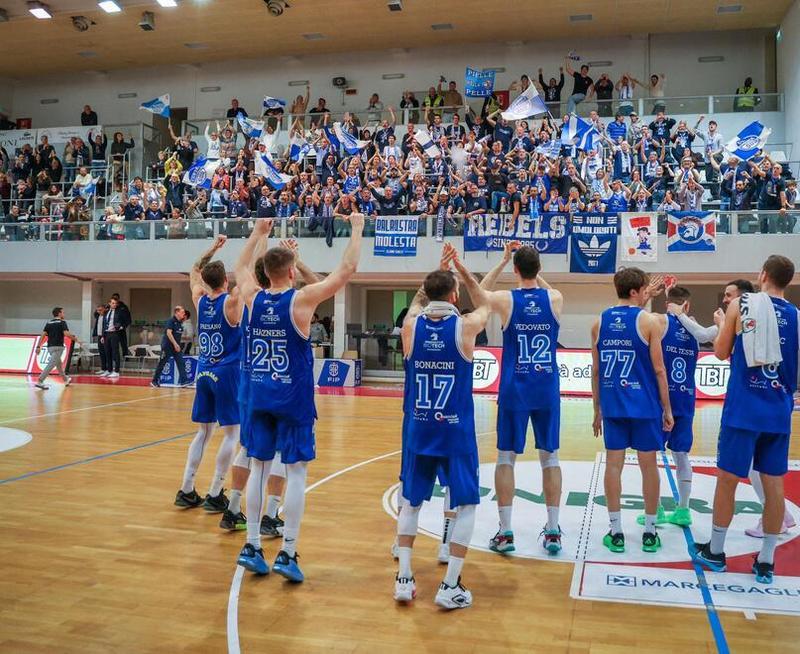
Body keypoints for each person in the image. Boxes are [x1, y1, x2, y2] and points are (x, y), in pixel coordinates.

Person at [236, 214, 365, 582]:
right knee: (295, 472)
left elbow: (240, 267)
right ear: (292, 273)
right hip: (292, 398)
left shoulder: (252, 297)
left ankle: (252, 544)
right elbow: (347, 269)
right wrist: (356, 228)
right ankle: (288, 551)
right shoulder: (301, 300)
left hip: (259, 394)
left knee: (259, 467)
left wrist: (256, 232)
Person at [393, 243, 489, 609]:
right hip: (455, 432)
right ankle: (450, 586)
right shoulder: (465, 327)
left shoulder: (410, 327)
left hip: (419, 429)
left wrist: (437, 274)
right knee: (466, 505)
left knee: (411, 503)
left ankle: (404, 578)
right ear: (453, 294)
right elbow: (486, 302)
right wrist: (460, 269)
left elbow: (419, 303)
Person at [692, 256, 798, 585]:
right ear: (788, 282)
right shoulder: (796, 315)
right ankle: (766, 561)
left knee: (727, 480)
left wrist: (726, 324)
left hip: (744, 406)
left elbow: (721, 353)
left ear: (763, 275)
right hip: (778, 409)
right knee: (774, 484)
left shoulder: (743, 303)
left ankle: (716, 551)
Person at [475, 243, 565, 555]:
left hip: (515, 388)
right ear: (539, 269)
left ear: (515, 270)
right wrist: (535, 274)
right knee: (550, 458)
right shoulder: (554, 298)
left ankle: (505, 530)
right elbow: (546, 287)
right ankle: (553, 530)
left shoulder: (506, 299)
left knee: (505, 458)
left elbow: (477, 293)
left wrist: (501, 262)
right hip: (547, 387)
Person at [591, 268, 673, 554]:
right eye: (643, 289)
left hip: (613, 406)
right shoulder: (649, 321)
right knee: (648, 467)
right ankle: (650, 532)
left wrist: (596, 409)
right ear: (636, 291)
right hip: (644, 406)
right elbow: (660, 370)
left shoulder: (599, 321)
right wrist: (668, 409)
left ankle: (616, 532)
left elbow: (597, 371)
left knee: (613, 467)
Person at [174, 235, 248, 514]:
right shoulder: (230, 302)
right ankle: (216, 491)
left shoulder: (199, 299)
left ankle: (187, 488)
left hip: (203, 369)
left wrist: (214, 248)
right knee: (232, 434)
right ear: (225, 281)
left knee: (203, 433)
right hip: (227, 370)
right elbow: (248, 276)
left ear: (205, 281)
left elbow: (194, 268)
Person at [639, 285, 720, 528]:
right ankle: (683, 509)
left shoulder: (658, 321)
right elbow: (708, 335)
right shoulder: (695, 330)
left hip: (661, 399)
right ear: (688, 305)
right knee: (681, 454)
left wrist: (647, 297)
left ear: (668, 304)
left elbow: (635, 319)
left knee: (650, 455)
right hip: (686, 398)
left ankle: (657, 509)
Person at [34, 307, 79, 390]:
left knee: (59, 365)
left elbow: (43, 335)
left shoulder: (49, 323)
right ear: (59, 313)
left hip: (50, 347)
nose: (64, 314)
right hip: (58, 347)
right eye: (63, 312)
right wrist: (75, 339)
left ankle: (66, 379)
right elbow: (66, 333)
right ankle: (40, 381)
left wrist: (38, 346)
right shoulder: (62, 322)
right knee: (51, 365)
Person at [151, 306, 189, 388]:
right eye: (182, 312)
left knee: (181, 362)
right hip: (167, 346)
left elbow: (177, 335)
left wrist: (178, 344)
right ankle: (154, 381)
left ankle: (184, 381)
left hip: (176, 347)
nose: (184, 314)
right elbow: (169, 333)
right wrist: (175, 344)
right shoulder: (171, 321)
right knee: (162, 363)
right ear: (177, 312)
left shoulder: (180, 323)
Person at [102, 297, 126, 378]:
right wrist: (103, 335)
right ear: (109, 303)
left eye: (115, 303)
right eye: (112, 303)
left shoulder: (120, 312)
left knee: (115, 352)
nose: (114, 305)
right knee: (107, 352)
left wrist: (121, 327)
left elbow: (126, 321)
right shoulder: (106, 312)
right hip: (107, 333)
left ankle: (116, 371)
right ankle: (109, 370)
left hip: (115, 333)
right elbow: (104, 324)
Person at [92, 304, 108, 375]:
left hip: (105, 336)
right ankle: (103, 368)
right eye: (98, 310)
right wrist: (98, 310)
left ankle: (108, 369)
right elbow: (95, 313)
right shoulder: (98, 316)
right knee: (101, 353)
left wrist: (103, 336)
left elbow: (106, 327)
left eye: (100, 310)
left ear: (105, 309)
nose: (99, 312)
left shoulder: (106, 316)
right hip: (99, 336)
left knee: (106, 353)